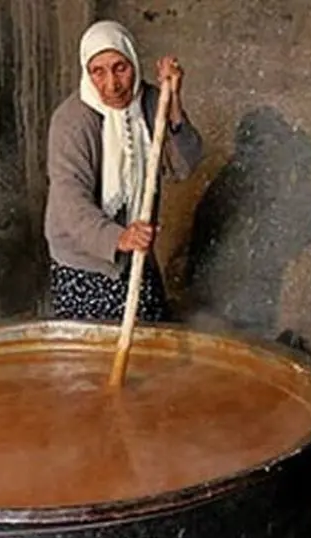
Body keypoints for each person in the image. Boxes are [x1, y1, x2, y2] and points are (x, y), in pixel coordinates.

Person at [44, 20, 203, 323]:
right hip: (84, 263)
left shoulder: (153, 101)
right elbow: (70, 203)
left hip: (137, 255)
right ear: (86, 72)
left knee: (149, 346)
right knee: (93, 356)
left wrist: (174, 106)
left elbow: (185, 165)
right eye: (98, 72)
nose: (111, 84)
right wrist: (119, 238)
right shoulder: (72, 122)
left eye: (120, 68)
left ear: (133, 61)